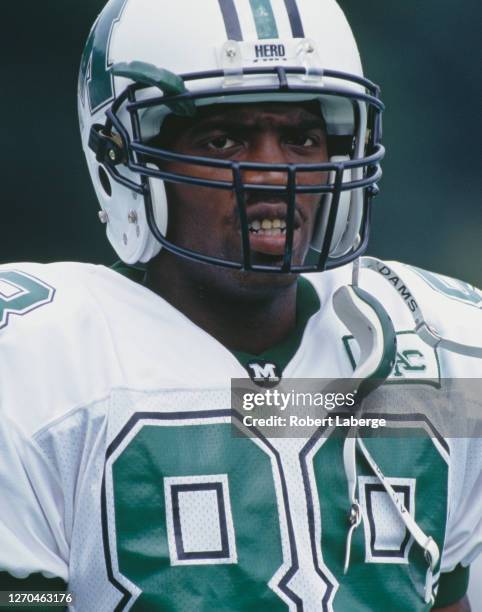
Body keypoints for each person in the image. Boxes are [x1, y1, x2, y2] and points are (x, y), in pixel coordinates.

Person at [0, 0, 480, 610]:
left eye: (301, 137)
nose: (269, 173)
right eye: (223, 139)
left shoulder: (439, 351)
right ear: (125, 157)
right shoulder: (40, 363)